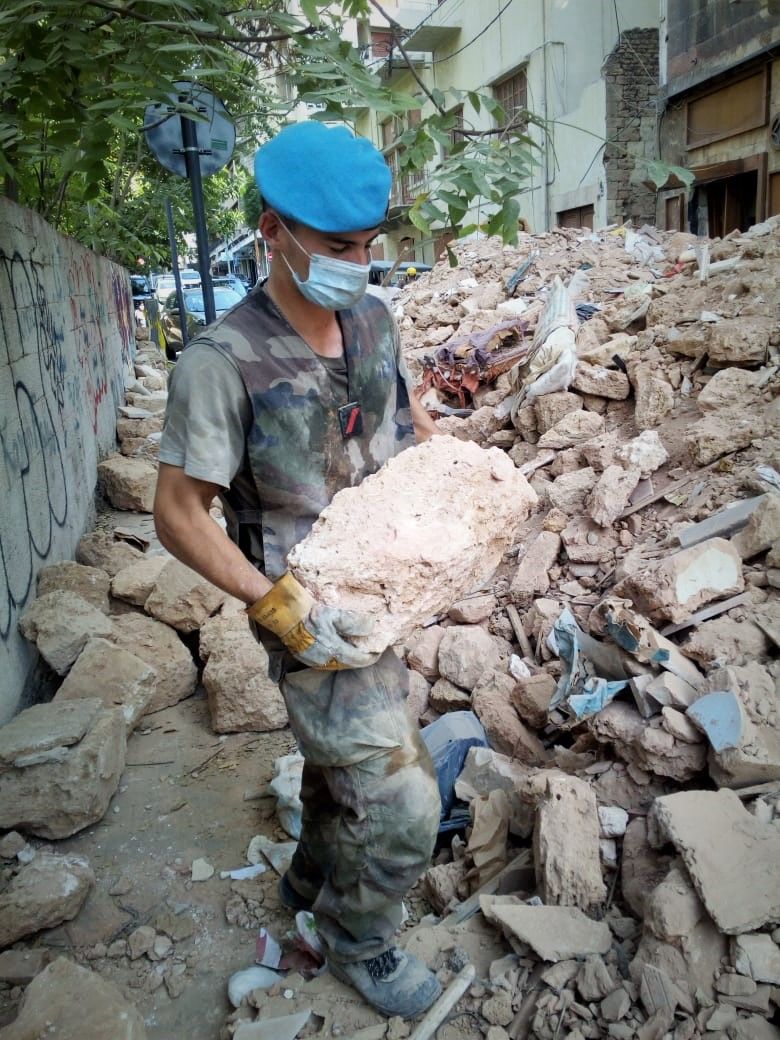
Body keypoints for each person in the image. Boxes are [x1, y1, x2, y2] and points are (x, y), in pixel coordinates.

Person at [153, 121, 443, 1019]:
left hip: (389, 594)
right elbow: (177, 513)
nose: (360, 263)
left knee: (341, 766)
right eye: (339, 246)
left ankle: (310, 876)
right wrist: (276, 606)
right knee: (402, 801)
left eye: (368, 245)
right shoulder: (221, 362)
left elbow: (405, 425)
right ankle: (360, 941)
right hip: (307, 614)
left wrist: (459, 490)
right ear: (273, 231)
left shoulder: (373, 320)